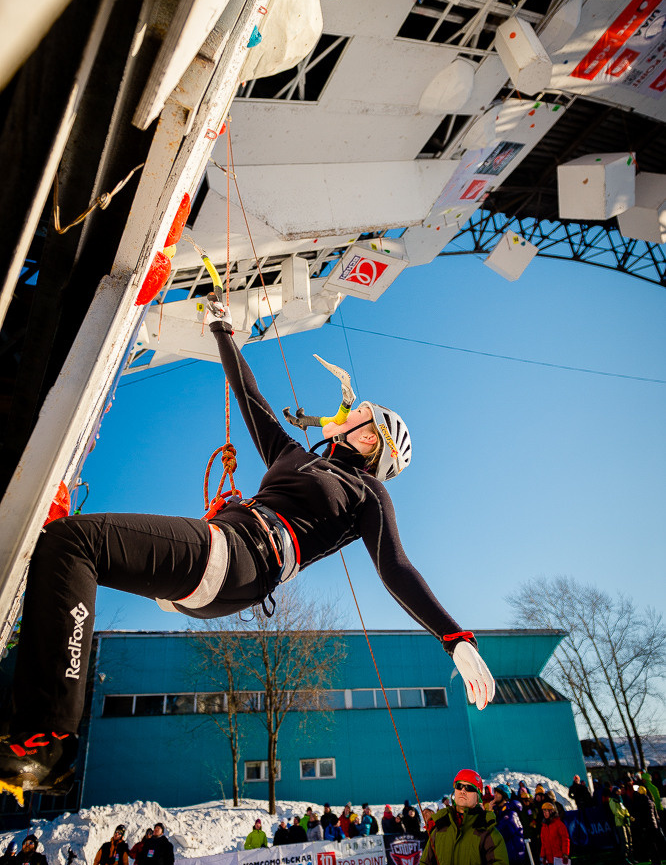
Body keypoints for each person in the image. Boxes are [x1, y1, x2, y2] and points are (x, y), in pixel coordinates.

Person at [0, 300, 496, 801]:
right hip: (224, 560)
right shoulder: (293, 455)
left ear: (371, 441)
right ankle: (32, 720)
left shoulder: (369, 494)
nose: (344, 414)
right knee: (63, 555)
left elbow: (396, 567)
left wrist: (456, 639)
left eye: (358, 415)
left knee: (74, 541)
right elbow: (250, 396)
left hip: (242, 557)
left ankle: (48, 739)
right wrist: (222, 332)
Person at [419, 769, 509, 865]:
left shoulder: (488, 832)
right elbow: (426, 864)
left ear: (478, 796)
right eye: (459, 786)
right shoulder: (440, 828)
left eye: (469, 787)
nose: (463, 790)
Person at [493, 784, 530, 865]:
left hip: (511, 858)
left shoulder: (509, 813)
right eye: (495, 793)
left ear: (504, 795)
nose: (495, 795)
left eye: (498, 793)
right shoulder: (501, 812)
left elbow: (499, 831)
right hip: (507, 857)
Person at [609, 787, 634, 864]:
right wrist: (624, 817)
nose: (619, 793)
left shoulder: (620, 800)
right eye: (618, 791)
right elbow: (615, 812)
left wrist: (629, 816)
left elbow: (624, 809)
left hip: (625, 821)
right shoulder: (613, 800)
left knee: (630, 839)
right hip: (620, 822)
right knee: (624, 840)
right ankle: (624, 857)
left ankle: (631, 856)